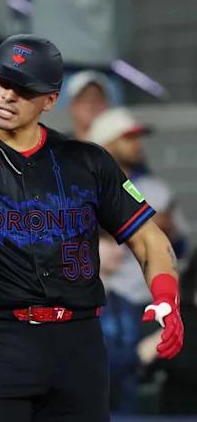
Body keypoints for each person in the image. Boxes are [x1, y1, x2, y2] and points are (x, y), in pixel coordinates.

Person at [0, 34, 184, 422]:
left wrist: (167, 296)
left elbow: (148, 238)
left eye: (23, 88)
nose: (8, 95)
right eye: (2, 82)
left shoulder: (88, 161)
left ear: (50, 100)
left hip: (79, 343)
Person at [88, 107, 189, 412]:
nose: (137, 144)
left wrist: (162, 230)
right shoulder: (78, 187)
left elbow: (179, 246)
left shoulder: (154, 189)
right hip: (96, 300)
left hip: (145, 303)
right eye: (128, 138)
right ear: (107, 142)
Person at [66, 70, 110, 140]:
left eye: (98, 99)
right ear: (72, 106)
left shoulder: (120, 144)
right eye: (85, 100)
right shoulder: (57, 145)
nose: (91, 106)